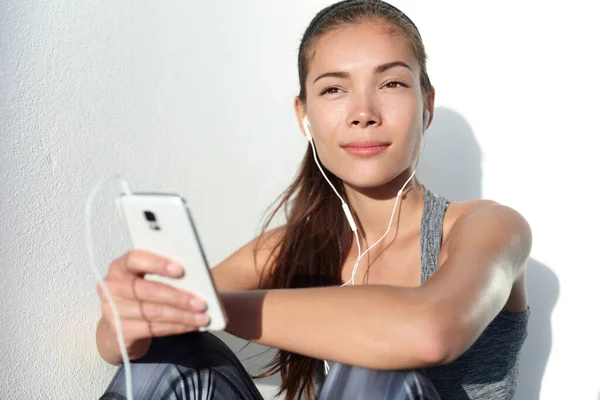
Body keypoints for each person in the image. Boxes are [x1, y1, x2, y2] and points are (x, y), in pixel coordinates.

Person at [96, 1, 531, 399]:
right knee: (168, 357)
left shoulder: (491, 228)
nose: (364, 112)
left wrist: (208, 306)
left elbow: (431, 331)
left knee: (378, 361)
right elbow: (110, 344)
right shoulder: (292, 246)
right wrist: (134, 313)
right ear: (304, 117)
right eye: (333, 90)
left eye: (392, 83)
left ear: (426, 106)